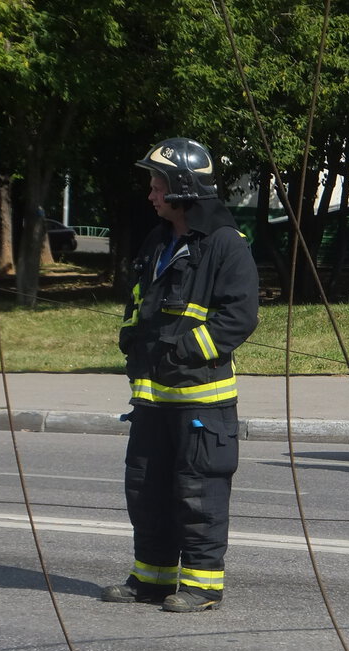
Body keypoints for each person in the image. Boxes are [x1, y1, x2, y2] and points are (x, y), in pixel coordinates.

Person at [102, 138, 259, 613]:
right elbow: (139, 305)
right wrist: (132, 345)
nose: (150, 195)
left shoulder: (226, 246)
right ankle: (151, 578)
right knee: (146, 490)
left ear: (182, 189)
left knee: (198, 492)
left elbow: (239, 317)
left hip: (201, 401)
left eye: (156, 186)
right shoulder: (158, 241)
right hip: (152, 400)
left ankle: (202, 586)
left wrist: (184, 352)